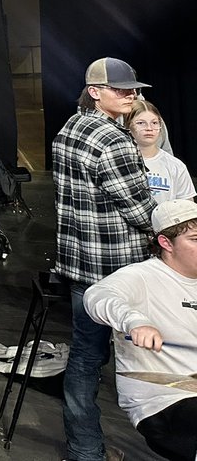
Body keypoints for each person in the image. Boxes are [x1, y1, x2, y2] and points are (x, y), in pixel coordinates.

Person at [53, 57, 156, 461]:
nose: (131, 95)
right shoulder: (113, 140)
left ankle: (85, 451)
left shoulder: (69, 127)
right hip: (119, 268)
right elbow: (139, 211)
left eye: (133, 89)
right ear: (95, 92)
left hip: (81, 267)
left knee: (85, 355)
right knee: (151, 349)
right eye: (121, 90)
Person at [82, 200, 197, 461]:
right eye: (195, 239)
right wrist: (134, 320)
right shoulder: (141, 276)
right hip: (163, 400)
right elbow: (97, 295)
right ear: (166, 243)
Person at [125, 100, 193, 204]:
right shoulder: (120, 161)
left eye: (154, 123)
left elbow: (187, 208)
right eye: (141, 123)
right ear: (128, 126)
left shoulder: (176, 166)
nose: (149, 128)